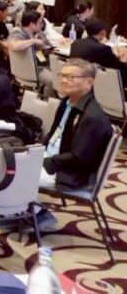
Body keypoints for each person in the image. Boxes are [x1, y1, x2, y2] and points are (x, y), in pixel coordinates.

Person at [34, 60, 114, 232]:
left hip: (68, 173)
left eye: (71, 77)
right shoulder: (67, 102)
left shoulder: (92, 117)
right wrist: (35, 150)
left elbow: (78, 158)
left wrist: (44, 163)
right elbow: (54, 133)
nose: (64, 80)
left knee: (15, 174)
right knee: (7, 161)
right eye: (62, 76)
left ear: (89, 82)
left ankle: (39, 214)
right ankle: (20, 210)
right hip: (53, 156)